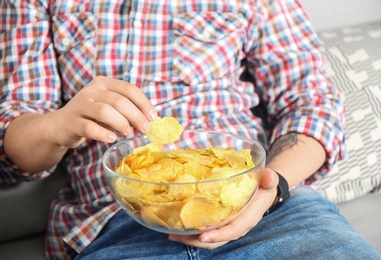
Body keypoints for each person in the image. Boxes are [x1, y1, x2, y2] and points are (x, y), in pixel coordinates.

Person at [1, 0, 380, 259]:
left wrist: (270, 188)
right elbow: (15, 148)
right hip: (114, 223)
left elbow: (311, 104)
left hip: (272, 212)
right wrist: (61, 123)